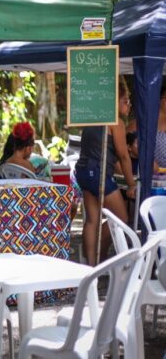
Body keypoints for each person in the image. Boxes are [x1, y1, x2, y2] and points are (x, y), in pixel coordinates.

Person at [75, 81, 136, 266]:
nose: (129, 104)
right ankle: (102, 260)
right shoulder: (115, 122)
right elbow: (124, 156)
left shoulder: (92, 117)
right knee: (121, 219)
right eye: (125, 101)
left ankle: (92, 267)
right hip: (97, 174)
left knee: (92, 220)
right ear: (114, 101)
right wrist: (131, 183)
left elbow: (105, 154)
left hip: (84, 171)